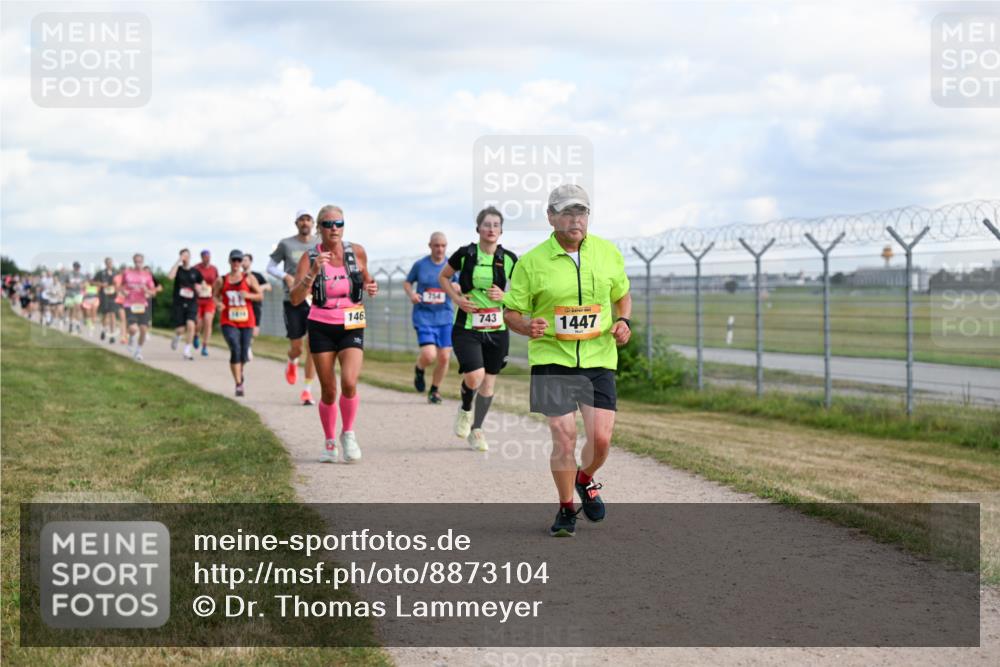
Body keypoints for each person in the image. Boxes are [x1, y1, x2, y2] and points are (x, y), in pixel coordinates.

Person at [502, 184, 632, 537]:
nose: (576, 219)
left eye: (582, 212)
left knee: (601, 439)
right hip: (551, 357)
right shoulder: (531, 262)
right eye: (567, 212)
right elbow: (510, 311)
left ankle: (585, 478)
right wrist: (526, 325)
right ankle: (566, 508)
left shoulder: (607, 253)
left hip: (598, 358)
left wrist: (623, 321)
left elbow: (622, 295)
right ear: (551, 217)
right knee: (564, 436)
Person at [289, 205, 378, 463]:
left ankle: (347, 433)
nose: (334, 229)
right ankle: (329, 441)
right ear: (319, 229)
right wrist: (313, 272)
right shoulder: (310, 257)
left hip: (352, 322)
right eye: (328, 224)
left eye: (339, 223)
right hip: (321, 324)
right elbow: (295, 299)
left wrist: (372, 287)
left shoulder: (357, 251)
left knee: (349, 382)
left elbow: (367, 279)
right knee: (329, 390)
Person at [437, 207, 517, 452]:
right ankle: (465, 409)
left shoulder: (510, 259)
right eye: (487, 224)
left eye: (496, 225)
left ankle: (477, 430)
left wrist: (505, 296)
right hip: (467, 326)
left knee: (489, 383)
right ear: (478, 229)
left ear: (501, 230)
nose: (491, 229)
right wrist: (457, 299)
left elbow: (523, 291)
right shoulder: (465, 254)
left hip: (497, 328)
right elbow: (444, 277)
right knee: (475, 375)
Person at [268, 210, 318, 406]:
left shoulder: (318, 244)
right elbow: (270, 266)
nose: (305, 222)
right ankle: (292, 360)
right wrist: (286, 277)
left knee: (313, 346)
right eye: (301, 219)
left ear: (313, 223)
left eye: (308, 219)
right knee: (297, 348)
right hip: (293, 300)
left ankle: (307, 390)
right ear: (296, 223)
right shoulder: (286, 244)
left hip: (314, 300)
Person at [403, 232, 456, 404]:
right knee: (429, 355)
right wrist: (412, 294)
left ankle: (435, 390)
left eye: (443, 245)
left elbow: (462, 285)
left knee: (444, 357)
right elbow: (407, 282)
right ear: (430, 246)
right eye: (436, 245)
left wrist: (457, 286)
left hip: (445, 316)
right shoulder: (420, 265)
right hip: (424, 316)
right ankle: (419, 368)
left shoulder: (451, 265)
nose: (440, 249)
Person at [214, 249, 263, 396]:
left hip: (247, 321)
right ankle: (238, 383)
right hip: (228, 320)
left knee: (243, 354)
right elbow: (214, 296)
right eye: (233, 260)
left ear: (241, 263)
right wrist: (218, 304)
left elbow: (260, 296)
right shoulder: (221, 279)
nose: (236, 263)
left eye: (238, 261)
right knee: (235, 348)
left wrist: (247, 294)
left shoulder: (249, 278)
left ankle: (239, 372)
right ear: (229, 261)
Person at [121, 253, 162, 360]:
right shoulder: (127, 273)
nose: (138, 264)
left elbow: (153, 292)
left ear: (143, 262)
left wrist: (147, 291)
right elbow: (121, 286)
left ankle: (138, 351)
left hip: (142, 304)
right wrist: (123, 291)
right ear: (134, 262)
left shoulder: (147, 276)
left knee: (143, 329)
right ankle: (131, 339)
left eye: (140, 262)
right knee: (133, 329)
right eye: (136, 262)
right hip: (130, 304)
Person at [168, 249, 204, 360]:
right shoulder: (178, 270)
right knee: (181, 329)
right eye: (183, 255)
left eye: (187, 255)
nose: (185, 257)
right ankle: (177, 336)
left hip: (192, 302)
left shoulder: (195, 272)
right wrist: (178, 261)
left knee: (191, 324)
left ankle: (187, 351)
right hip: (179, 302)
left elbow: (202, 285)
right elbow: (170, 277)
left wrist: (200, 289)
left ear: (190, 257)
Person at [242, 253, 271, 361]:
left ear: (250, 261)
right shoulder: (239, 275)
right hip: (242, 306)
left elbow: (269, 286)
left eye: (246, 260)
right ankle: (245, 347)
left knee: (254, 330)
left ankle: (248, 346)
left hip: (255, 305)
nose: (243, 262)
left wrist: (258, 288)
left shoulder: (257, 275)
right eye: (242, 260)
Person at [193, 249, 219, 357]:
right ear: (201, 257)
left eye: (208, 256)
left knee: (208, 321)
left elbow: (218, 282)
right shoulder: (196, 268)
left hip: (209, 299)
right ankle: (196, 334)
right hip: (198, 299)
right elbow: (191, 281)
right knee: (198, 323)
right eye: (204, 256)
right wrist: (197, 287)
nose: (206, 258)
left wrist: (217, 294)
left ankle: (205, 346)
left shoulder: (214, 269)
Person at [94, 257, 120, 343]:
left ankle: (112, 336)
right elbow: (92, 282)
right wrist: (101, 284)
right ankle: (104, 330)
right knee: (106, 315)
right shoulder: (101, 273)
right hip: (104, 296)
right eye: (108, 263)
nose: (109, 264)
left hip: (113, 296)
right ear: (105, 263)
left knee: (112, 315)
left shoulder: (116, 273)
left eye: (111, 262)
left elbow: (120, 284)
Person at [63, 262, 86, 333]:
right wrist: (69, 285)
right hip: (70, 294)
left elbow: (85, 284)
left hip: (78, 294)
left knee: (78, 308)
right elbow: (64, 283)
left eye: (78, 267)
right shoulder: (68, 275)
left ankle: (78, 325)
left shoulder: (82, 275)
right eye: (76, 267)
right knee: (72, 310)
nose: (77, 268)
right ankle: (71, 325)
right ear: (73, 267)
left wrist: (82, 286)